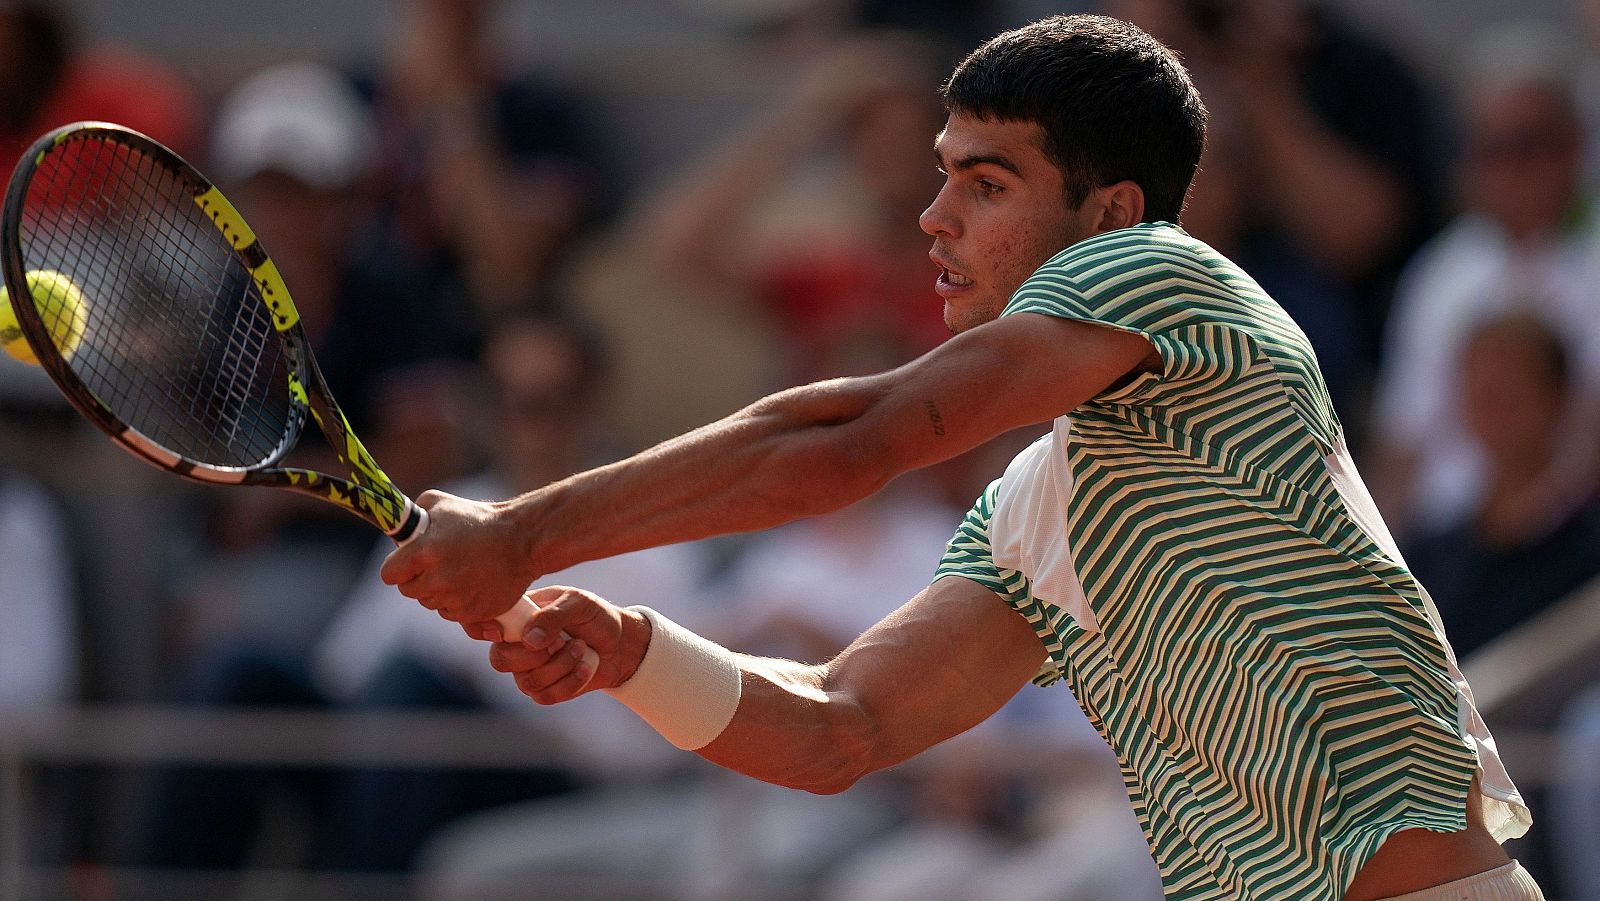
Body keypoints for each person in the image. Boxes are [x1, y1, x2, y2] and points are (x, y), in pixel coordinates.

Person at [382, 16, 1539, 901]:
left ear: (1109, 212)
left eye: (986, 185)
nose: (933, 217)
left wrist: (521, 531)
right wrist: (633, 651)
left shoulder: (1162, 267)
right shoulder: (1033, 507)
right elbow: (842, 724)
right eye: (942, 174)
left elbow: (850, 441)